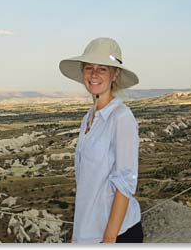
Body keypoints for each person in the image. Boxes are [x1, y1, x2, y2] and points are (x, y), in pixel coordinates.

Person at [59, 37, 143, 243]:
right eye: (89, 68)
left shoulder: (121, 117)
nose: (94, 74)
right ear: (83, 73)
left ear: (115, 75)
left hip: (115, 234)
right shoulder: (89, 117)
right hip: (90, 231)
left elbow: (125, 183)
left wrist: (109, 239)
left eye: (102, 69)